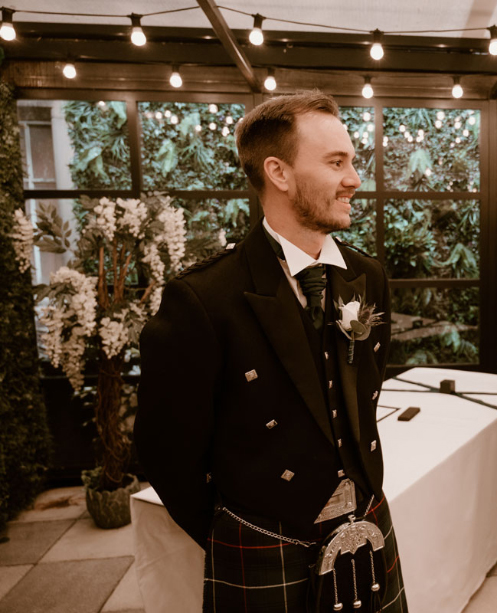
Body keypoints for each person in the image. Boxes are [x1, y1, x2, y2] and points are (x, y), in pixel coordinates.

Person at [134, 90, 408, 613]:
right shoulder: (204, 298)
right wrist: (238, 530)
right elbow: (165, 449)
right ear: (278, 173)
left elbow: (365, 392)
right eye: (336, 162)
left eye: (352, 161)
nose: (354, 178)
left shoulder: (366, 275)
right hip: (264, 541)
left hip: (369, 522)